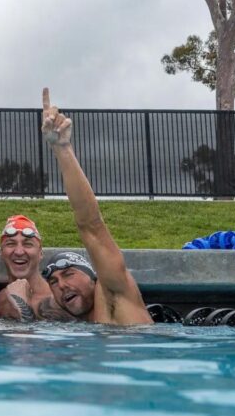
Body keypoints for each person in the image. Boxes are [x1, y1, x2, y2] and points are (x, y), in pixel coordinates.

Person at [41, 88, 153, 325]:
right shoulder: (74, 329)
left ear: (94, 277)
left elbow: (91, 225)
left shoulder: (114, 297)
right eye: (54, 282)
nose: (62, 285)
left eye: (69, 274)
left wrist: (62, 149)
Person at [0, 215, 72, 322]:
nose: (19, 252)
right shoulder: (2, 296)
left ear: (40, 253)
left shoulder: (55, 300)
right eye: (11, 244)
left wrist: (22, 305)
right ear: (1, 253)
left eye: (28, 244)